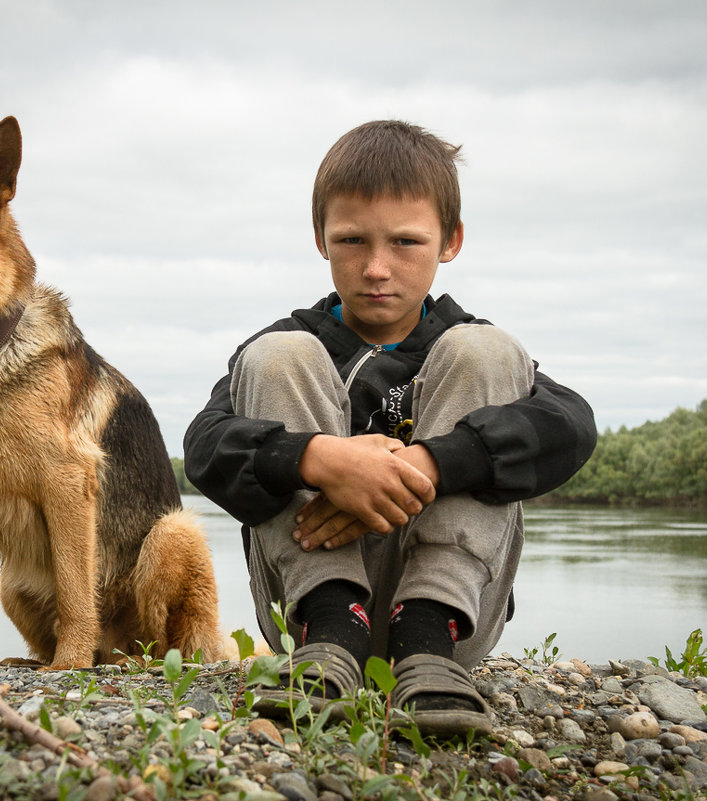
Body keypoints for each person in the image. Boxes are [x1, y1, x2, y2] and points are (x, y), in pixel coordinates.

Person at [184, 120, 596, 736]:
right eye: (352, 240)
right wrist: (319, 462)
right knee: (275, 357)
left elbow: (572, 426)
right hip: (305, 617)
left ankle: (427, 643)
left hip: (453, 621)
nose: (377, 267)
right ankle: (331, 629)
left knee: (487, 351)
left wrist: (424, 466)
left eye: (406, 242)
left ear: (450, 241)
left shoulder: (469, 347)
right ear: (321, 239)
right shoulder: (286, 344)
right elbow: (204, 445)